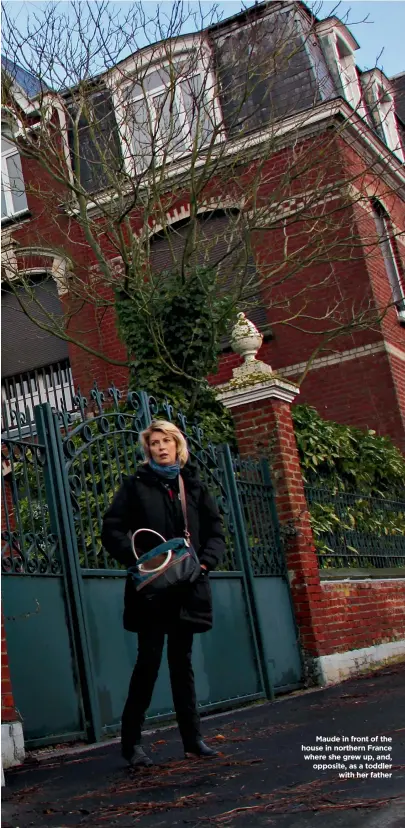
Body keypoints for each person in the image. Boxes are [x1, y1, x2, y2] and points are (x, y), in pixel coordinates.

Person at [101, 419, 225, 767]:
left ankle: (192, 739)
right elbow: (112, 529)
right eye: (154, 442)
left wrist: (204, 564)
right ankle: (131, 744)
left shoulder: (195, 487)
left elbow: (216, 533)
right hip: (152, 591)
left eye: (166, 440)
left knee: (181, 664)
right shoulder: (135, 486)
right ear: (148, 449)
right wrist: (140, 559)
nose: (160, 447)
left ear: (177, 445)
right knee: (148, 663)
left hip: (187, 587)